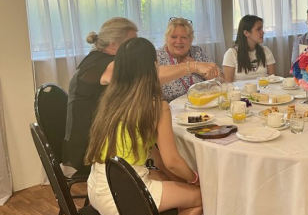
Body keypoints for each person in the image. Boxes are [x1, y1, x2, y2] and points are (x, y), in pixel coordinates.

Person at [85, 37, 203, 215]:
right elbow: (173, 160)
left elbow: (155, 153)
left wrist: (173, 176)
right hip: (122, 198)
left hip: (97, 189)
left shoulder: (111, 99)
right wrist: (194, 178)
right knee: (199, 197)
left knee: (168, 178)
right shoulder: (156, 106)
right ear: (153, 67)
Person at [63, 18, 218, 174]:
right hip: (90, 147)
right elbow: (146, 75)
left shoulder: (98, 59)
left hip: (103, 139)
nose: (136, 47)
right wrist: (193, 66)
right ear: (114, 45)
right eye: (132, 42)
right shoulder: (105, 65)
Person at [156, 18, 220, 102]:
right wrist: (194, 66)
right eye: (174, 37)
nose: (179, 41)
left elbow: (223, 80)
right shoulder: (157, 56)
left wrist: (209, 76)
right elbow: (152, 77)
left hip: (202, 105)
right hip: (171, 108)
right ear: (166, 38)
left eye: (184, 37)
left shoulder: (197, 52)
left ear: (191, 40)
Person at [223, 15, 276, 82]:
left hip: (263, 88)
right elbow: (228, 84)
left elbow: (272, 79)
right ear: (246, 33)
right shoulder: (231, 53)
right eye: (258, 29)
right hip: (240, 89)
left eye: (262, 29)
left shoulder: (266, 51)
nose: (263, 32)